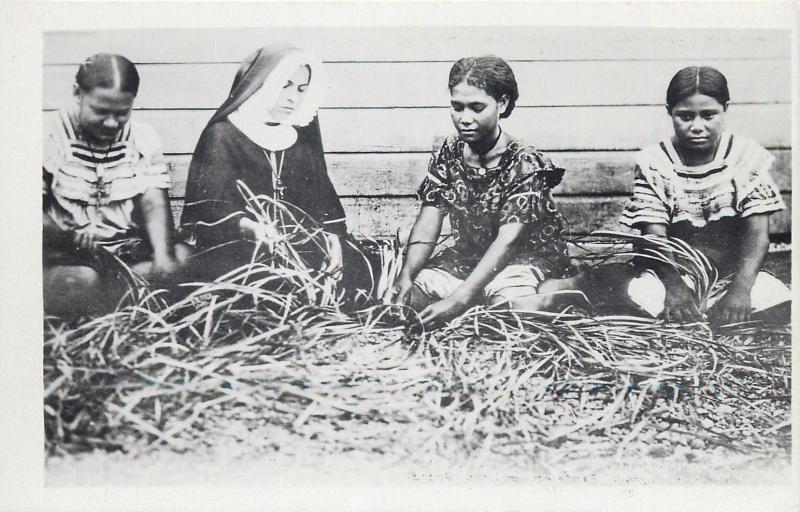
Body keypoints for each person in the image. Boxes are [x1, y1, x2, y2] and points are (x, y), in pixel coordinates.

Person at [563, 66, 790, 325]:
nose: (697, 126)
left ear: (725, 109)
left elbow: (758, 235)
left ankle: (720, 311)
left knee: (780, 302)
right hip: (673, 272)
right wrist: (675, 290)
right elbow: (653, 236)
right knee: (638, 302)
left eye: (708, 115)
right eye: (685, 116)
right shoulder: (656, 163)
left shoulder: (746, 158)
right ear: (669, 111)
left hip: (732, 274)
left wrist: (741, 290)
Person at [382, 55, 571, 326]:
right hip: (471, 255)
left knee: (507, 312)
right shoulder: (448, 151)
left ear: (502, 104)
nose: (465, 119)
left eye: (476, 108)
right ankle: (477, 294)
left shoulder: (524, 161)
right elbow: (428, 222)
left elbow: (508, 242)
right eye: (457, 107)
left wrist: (459, 299)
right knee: (407, 303)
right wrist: (407, 275)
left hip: (522, 257)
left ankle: (570, 288)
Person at [180, 44, 370, 298]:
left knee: (359, 266)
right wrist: (253, 229)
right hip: (240, 246)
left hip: (298, 245)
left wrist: (333, 242)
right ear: (261, 84)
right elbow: (211, 207)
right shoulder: (224, 135)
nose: (293, 97)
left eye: (302, 89)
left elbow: (323, 198)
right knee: (249, 282)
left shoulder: (298, 134)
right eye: (285, 85)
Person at [43, 53, 191, 317]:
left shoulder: (142, 137)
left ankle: (118, 310)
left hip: (123, 251)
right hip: (66, 255)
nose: (111, 123)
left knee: (181, 259)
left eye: (122, 113)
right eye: (100, 111)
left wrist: (163, 258)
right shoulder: (50, 134)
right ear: (77, 93)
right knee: (79, 282)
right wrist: (66, 233)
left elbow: (153, 202)